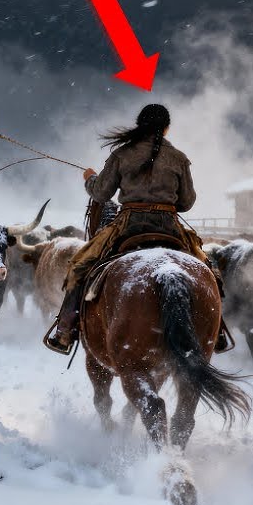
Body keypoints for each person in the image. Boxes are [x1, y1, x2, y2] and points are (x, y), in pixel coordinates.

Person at [44, 103, 216, 354]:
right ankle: (217, 330)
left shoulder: (122, 154)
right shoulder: (179, 158)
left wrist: (89, 178)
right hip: (170, 227)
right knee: (207, 268)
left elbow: (101, 193)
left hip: (128, 226)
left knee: (80, 265)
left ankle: (65, 331)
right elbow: (187, 203)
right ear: (166, 129)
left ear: (140, 125)